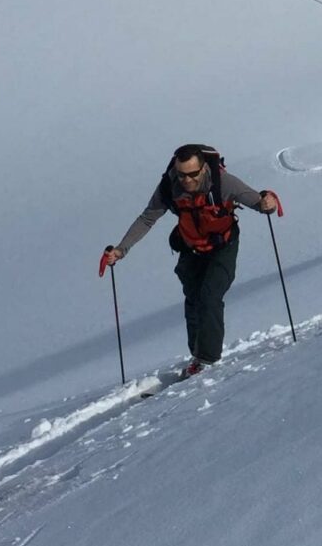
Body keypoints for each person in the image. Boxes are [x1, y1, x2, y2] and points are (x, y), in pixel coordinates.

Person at [103, 145, 278, 377]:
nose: (186, 180)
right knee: (194, 300)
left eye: (192, 174)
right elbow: (147, 218)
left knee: (210, 296)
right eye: (181, 174)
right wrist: (120, 250)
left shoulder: (224, 183)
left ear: (204, 168)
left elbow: (260, 203)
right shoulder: (169, 185)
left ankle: (207, 359)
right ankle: (197, 355)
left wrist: (269, 203)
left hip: (222, 246)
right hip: (191, 247)